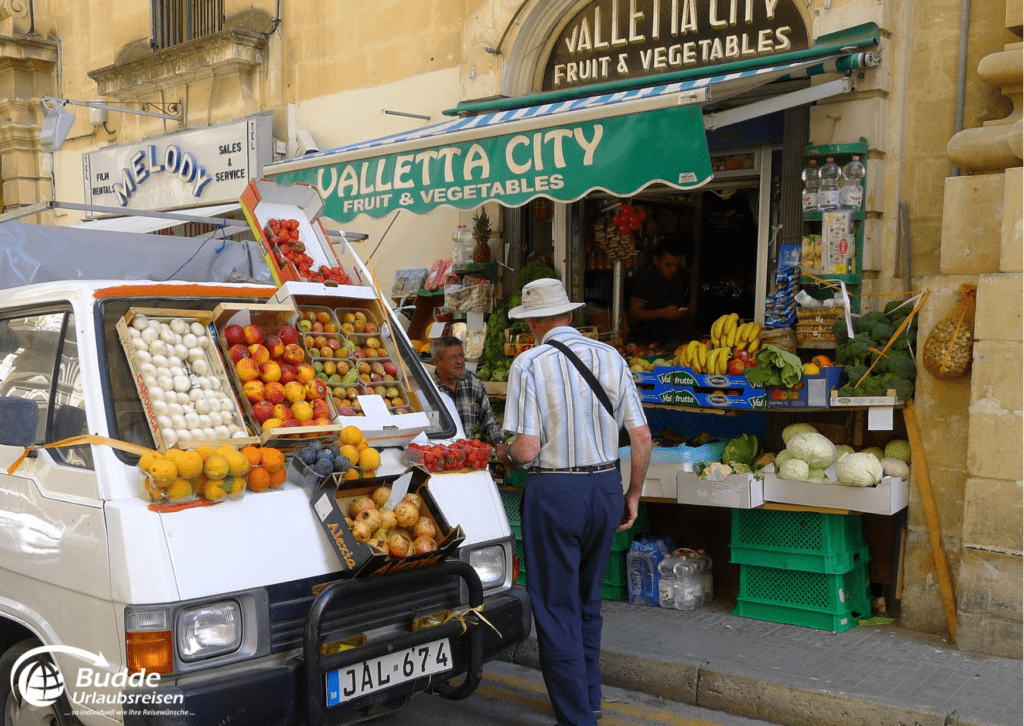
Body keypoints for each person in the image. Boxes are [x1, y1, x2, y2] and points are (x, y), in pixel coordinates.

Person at [503, 278, 652, 726]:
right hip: (606, 485)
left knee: (554, 606)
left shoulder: (529, 363)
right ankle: (590, 697)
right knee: (588, 600)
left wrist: (502, 451)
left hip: (556, 492)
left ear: (532, 322)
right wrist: (634, 493)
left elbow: (526, 450)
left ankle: (576, 717)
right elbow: (642, 437)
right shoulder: (611, 356)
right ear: (569, 314)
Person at [430, 336, 508, 460]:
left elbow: (488, 416)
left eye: (461, 355)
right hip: (440, 457)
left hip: (469, 456)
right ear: (437, 362)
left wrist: (499, 442)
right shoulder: (428, 388)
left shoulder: (471, 381)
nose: (459, 361)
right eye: (452, 357)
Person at [628, 236, 698, 349]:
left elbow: (693, 279)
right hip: (651, 342)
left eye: (676, 265)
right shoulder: (645, 279)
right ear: (656, 260)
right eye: (668, 265)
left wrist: (688, 309)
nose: (673, 270)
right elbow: (634, 313)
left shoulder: (682, 275)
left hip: (679, 339)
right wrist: (662, 312)